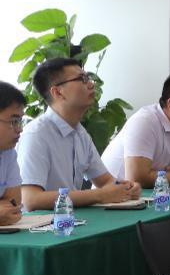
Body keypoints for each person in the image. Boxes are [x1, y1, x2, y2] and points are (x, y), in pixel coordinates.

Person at [18, 58, 141, 209]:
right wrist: (100, 195)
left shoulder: (80, 133)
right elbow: (31, 200)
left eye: (88, 78)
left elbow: (105, 181)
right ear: (58, 92)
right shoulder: (36, 135)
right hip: (42, 222)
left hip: (71, 218)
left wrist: (126, 188)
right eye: (82, 79)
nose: (91, 84)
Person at [101, 72, 170, 187]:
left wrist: (156, 176)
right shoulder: (145, 121)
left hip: (151, 192)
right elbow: (137, 179)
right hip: (112, 194)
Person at [0, 82, 28, 225]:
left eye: (20, 121)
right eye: (13, 121)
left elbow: (14, 203)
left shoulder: (8, 153)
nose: (20, 129)